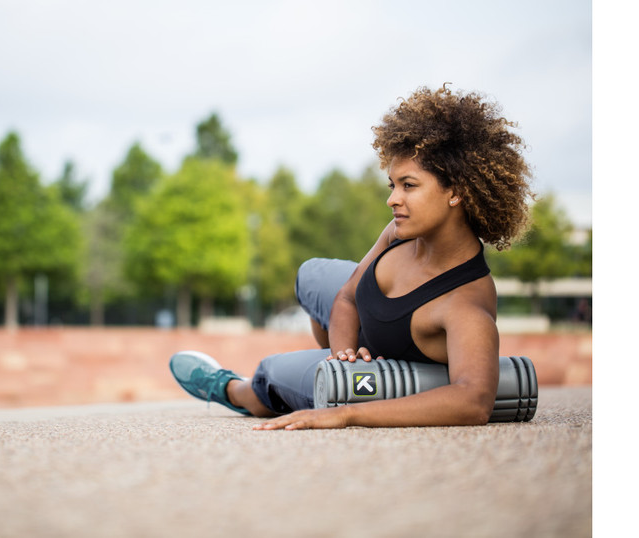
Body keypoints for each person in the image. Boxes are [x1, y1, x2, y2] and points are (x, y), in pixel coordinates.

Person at [169, 85, 534, 430]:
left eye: (409, 186)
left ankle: (232, 389)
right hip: (363, 329)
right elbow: (345, 296)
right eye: (392, 185)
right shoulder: (398, 234)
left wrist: (346, 410)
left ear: (455, 193)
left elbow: (474, 402)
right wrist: (343, 359)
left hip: (384, 355)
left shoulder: (466, 305)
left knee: (272, 372)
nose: (392, 199)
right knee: (310, 276)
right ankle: (329, 352)